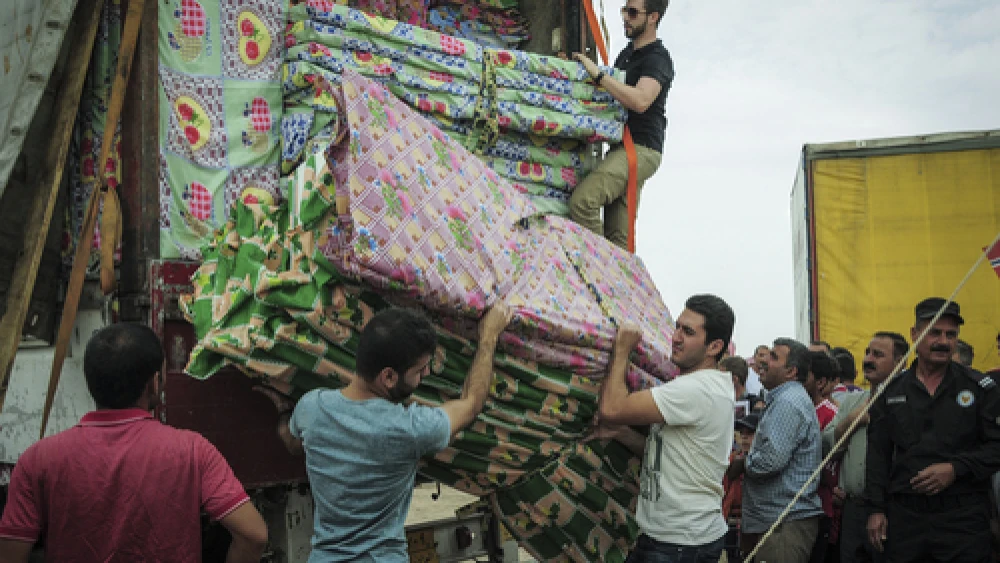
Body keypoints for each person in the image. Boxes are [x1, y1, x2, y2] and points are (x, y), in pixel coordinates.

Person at [260, 305, 511, 561]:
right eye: (420, 370)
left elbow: (292, 443)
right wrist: (488, 337)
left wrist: (283, 410)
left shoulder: (311, 408)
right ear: (388, 377)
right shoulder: (408, 429)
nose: (427, 374)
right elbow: (471, 404)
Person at [0, 323, 267, 562]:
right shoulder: (192, 451)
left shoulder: (38, 460)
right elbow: (253, 535)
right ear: (154, 383)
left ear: (90, 381)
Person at [595, 294, 736, 562]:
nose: (676, 337)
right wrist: (622, 434)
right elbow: (674, 455)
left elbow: (611, 410)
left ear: (715, 346)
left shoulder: (694, 390)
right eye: (678, 327)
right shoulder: (711, 385)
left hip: (678, 544)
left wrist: (622, 350)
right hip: (679, 538)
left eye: (689, 332)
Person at [865, 298, 1000, 562]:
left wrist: (955, 468)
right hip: (906, 521)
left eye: (951, 335)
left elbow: (997, 447)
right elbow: (878, 455)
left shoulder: (980, 389)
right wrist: (875, 510)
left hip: (963, 520)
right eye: (935, 332)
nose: (944, 341)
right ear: (915, 334)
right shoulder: (892, 391)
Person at [569, 0, 673, 249]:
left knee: (582, 203)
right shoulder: (627, 55)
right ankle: (618, 281)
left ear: (653, 18)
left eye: (633, 12)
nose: (626, 17)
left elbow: (640, 100)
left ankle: (602, 272)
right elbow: (610, 91)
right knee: (619, 239)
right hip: (621, 147)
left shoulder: (658, 59)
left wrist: (600, 75)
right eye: (624, 10)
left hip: (641, 149)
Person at [728, 338, 824, 563]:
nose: (763, 361)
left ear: (791, 371)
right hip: (777, 522)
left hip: (783, 525)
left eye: (773, 357)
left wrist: (743, 463)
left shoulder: (787, 403)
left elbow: (768, 463)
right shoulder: (783, 399)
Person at [823, 331, 906, 563]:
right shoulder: (852, 401)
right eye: (868, 352)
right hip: (854, 510)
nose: (868, 359)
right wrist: (851, 421)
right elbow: (827, 447)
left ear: (900, 362)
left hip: (892, 511)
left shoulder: (909, 403)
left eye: (878, 355)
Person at [723, 413, 759, 563]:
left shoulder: (765, 464)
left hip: (753, 527)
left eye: (750, 433)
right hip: (730, 525)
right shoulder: (731, 459)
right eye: (742, 433)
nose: (744, 437)